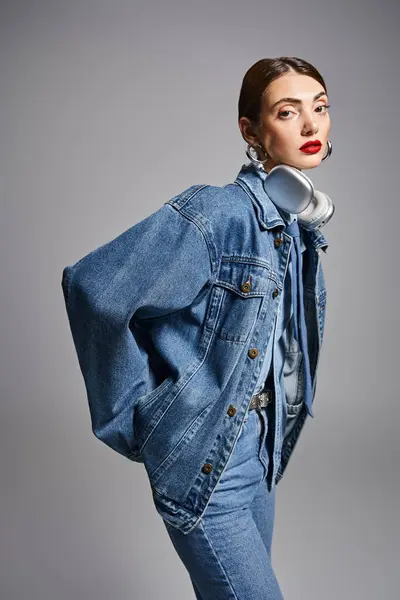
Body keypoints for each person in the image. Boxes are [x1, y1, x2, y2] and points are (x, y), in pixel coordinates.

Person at [61, 56, 332, 599]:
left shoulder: (296, 230)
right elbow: (94, 289)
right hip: (210, 455)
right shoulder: (218, 214)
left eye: (320, 109)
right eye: (287, 111)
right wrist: (139, 415)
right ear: (251, 131)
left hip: (260, 450)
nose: (310, 126)